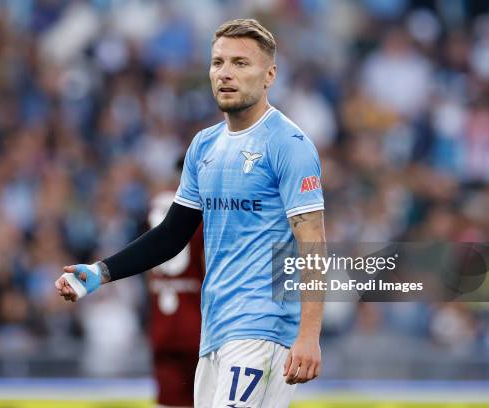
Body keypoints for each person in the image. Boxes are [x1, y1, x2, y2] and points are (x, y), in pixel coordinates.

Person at [55, 18, 326, 407]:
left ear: (270, 75)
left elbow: (313, 243)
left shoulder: (289, 144)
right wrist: (100, 272)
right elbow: (171, 234)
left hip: (263, 330)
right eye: (218, 63)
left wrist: (309, 335)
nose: (226, 73)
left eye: (240, 63)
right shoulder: (203, 147)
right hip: (214, 330)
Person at [147, 158, 204, 408]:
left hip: (162, 324)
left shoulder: (154, 206)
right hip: (198, 326)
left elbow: (147, 264)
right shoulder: (203, 209)